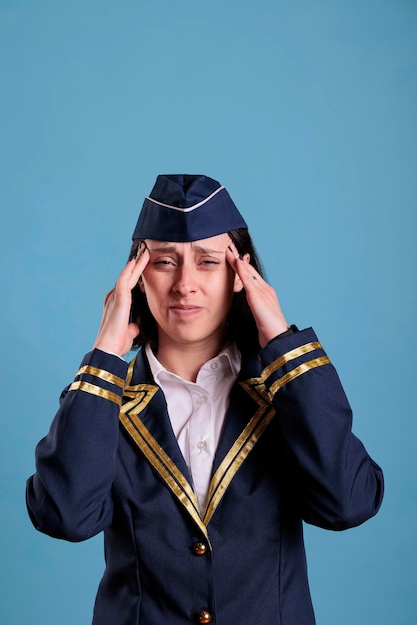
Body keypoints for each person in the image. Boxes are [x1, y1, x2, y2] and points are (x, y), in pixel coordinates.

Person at [26, 174, 384, 625]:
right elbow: (65, 516)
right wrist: (104, 357)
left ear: (240, 275)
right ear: (136, 276)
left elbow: (348, 504)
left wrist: (282, 342)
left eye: (208, 262)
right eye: (164, 262)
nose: (185, 284)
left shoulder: (284, 395)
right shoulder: (103, 400)